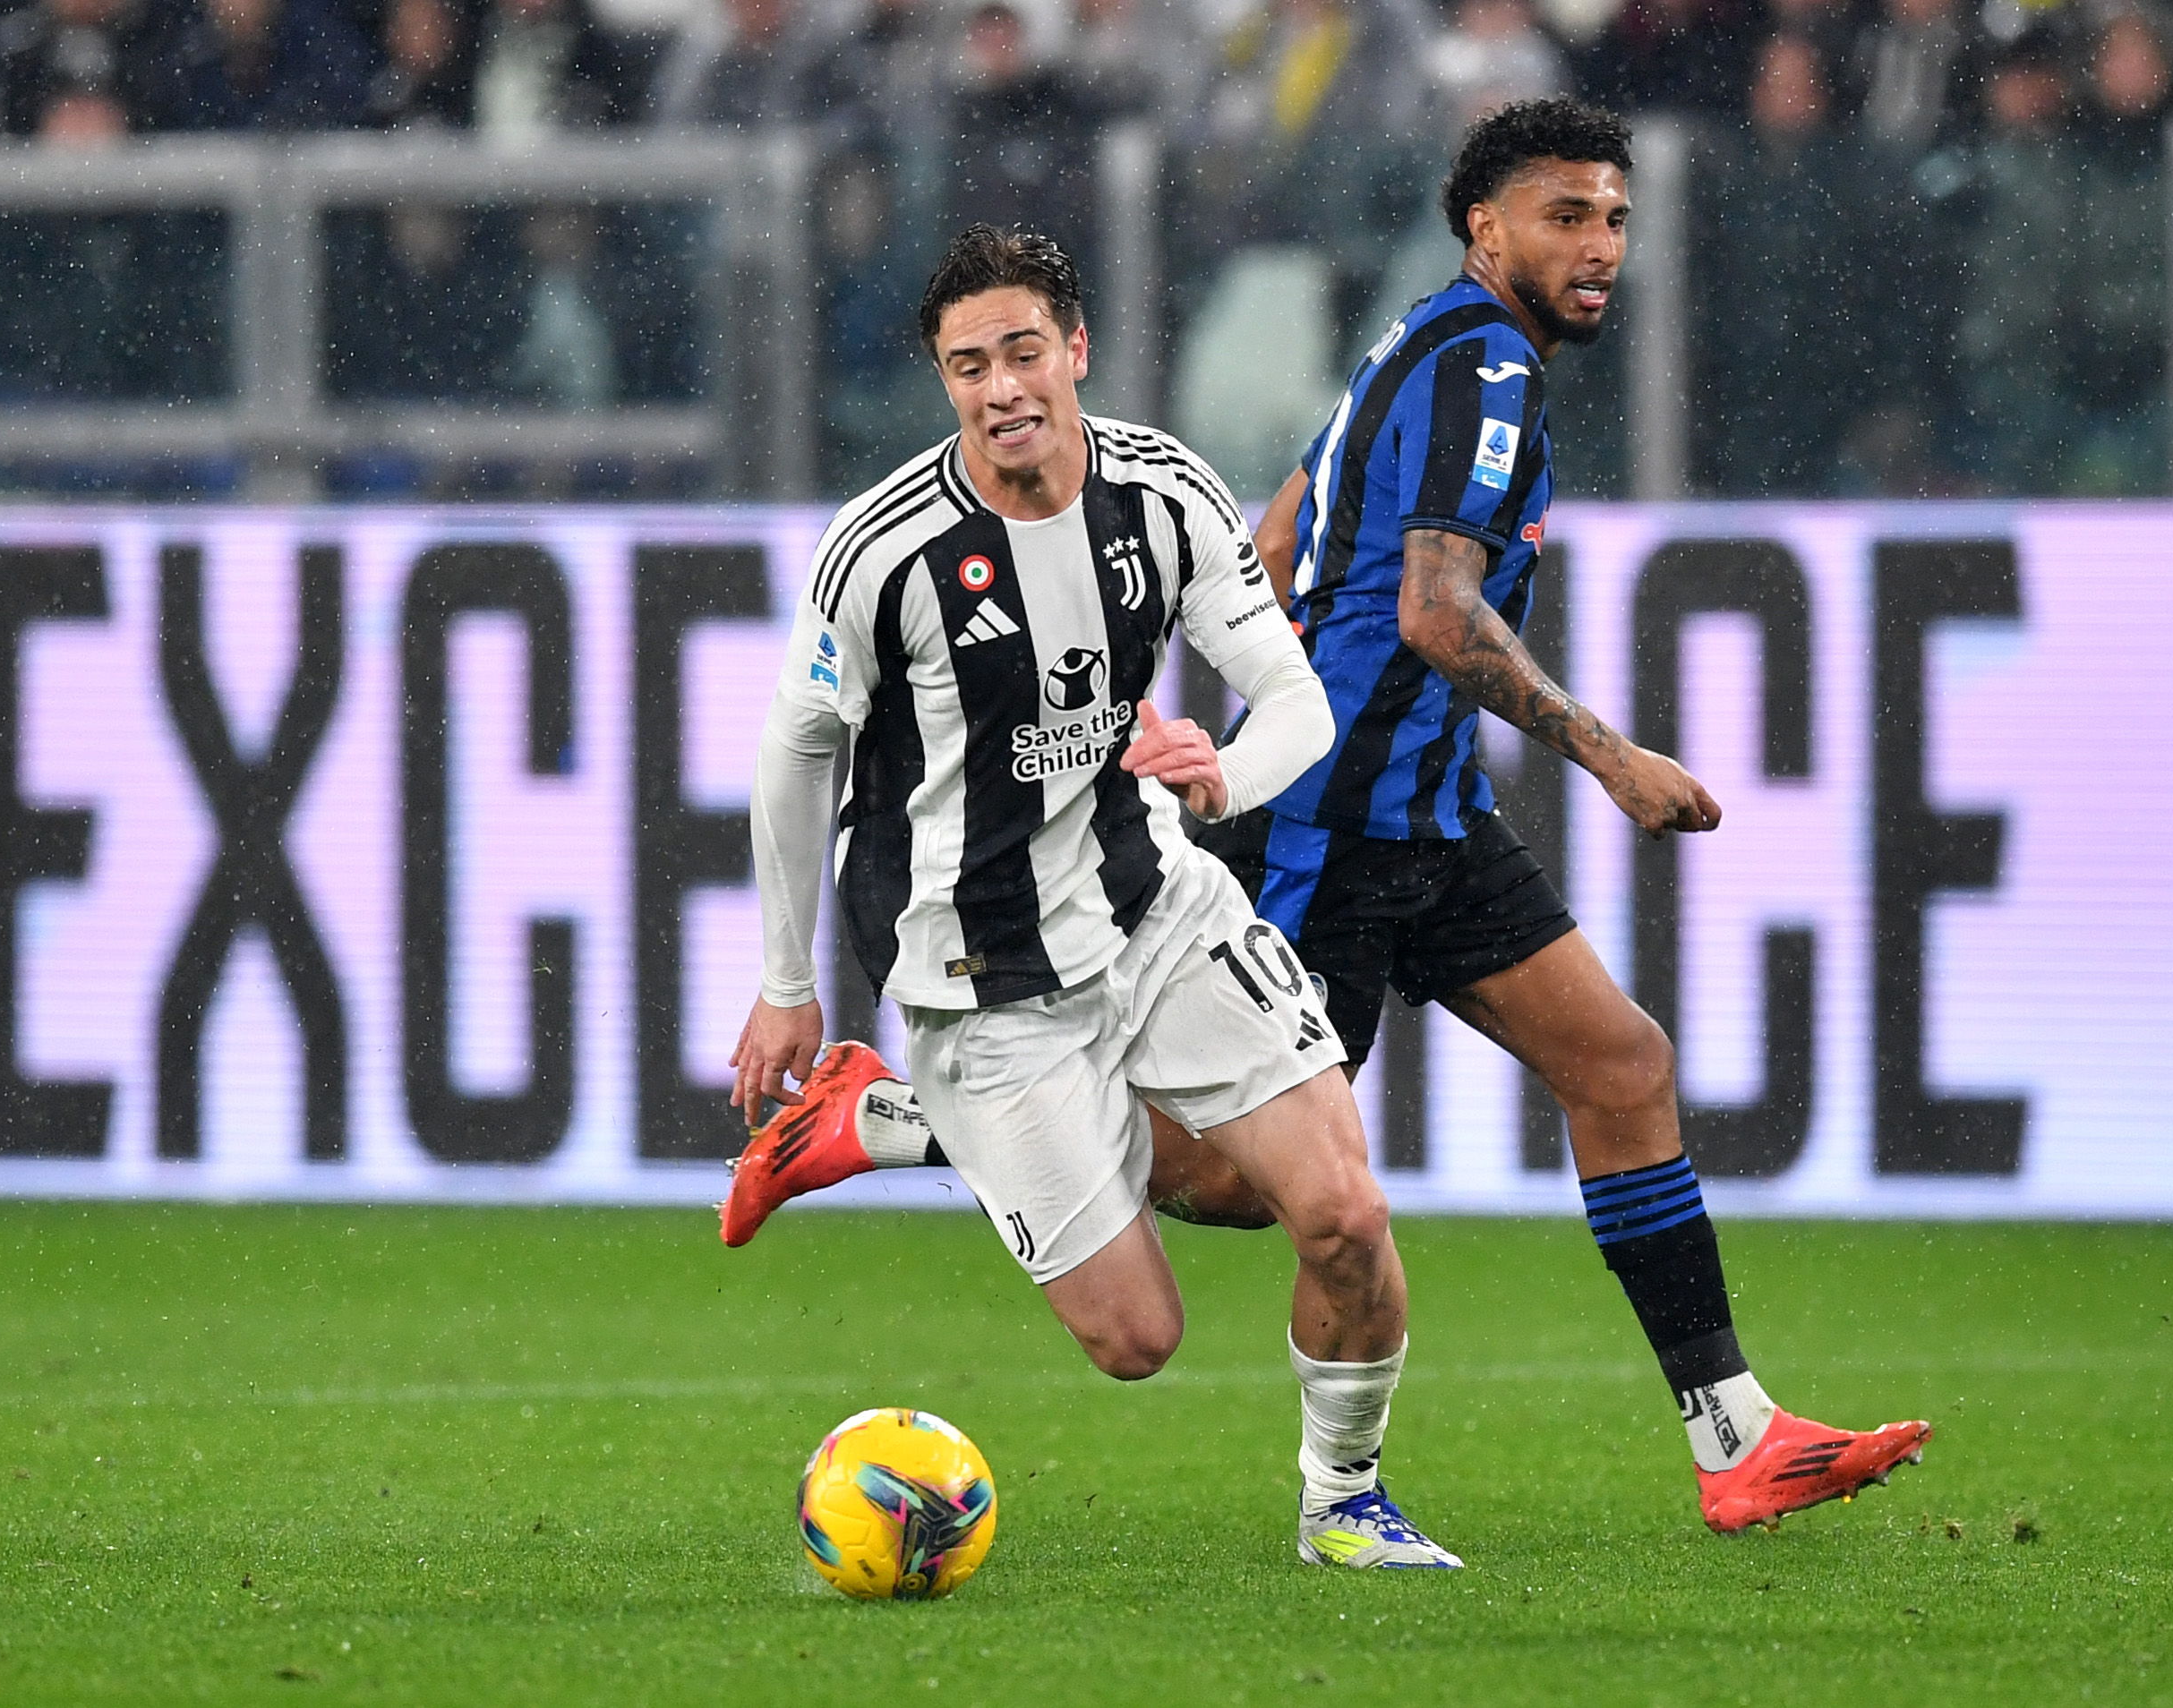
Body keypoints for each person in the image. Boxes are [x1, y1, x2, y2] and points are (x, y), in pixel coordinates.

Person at [724, 98, 1934, 1539]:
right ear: (1486, 229)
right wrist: (1607, 759)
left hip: (1427, 812)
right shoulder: (1475, 366)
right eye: (1566, 217)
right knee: (1235, 1194)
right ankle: (901, 1119)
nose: (1600, 246)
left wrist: (1212, 683)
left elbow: (1279, 528)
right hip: (1331, 823)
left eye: (1614, 216)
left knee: (1616, 1067)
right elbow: (1430, 607)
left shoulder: (1416, 344)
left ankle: (1730, 1434)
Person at [730, 221, 1461, 1571]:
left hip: (1155, 911)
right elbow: (794, 754)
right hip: (981, 979)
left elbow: (1296, 701)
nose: (1002, 387)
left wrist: (1224, 775)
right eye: (968, 366)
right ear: (943, 383)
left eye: (1022, 351)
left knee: (1337, 1216)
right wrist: (787, 985)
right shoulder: (881, 553)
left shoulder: (1163, 494)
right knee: (1139, 1341)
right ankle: (907, 1110)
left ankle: (1343, 1503)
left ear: (1075, 349)